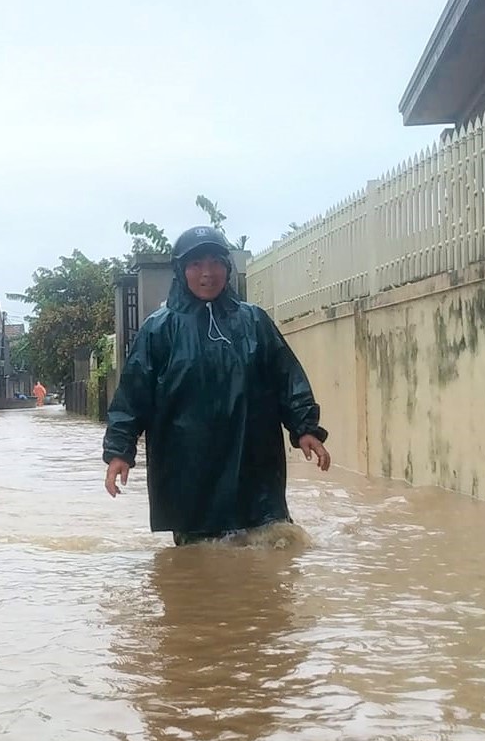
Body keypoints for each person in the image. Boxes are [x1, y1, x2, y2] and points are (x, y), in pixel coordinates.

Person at [102, 225, 331, 544]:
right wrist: (119, 452)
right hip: (188, 476)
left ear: (227, 267)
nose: (207, 273)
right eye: (196, 264)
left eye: (215, 262)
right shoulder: (158, 330)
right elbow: (131, 398)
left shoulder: (254, 322)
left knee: (271, 560)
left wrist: (305, 428)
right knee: (199, 569)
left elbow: (287, 378)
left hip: (255, 472)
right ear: (181, 271)